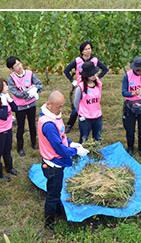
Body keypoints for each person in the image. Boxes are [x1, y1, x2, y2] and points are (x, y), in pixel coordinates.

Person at [37, 91, 89, 230]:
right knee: (53, 194)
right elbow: (59, 148)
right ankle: (49, 223)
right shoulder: (48, 124)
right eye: (58, 107)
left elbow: (62, 137)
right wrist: (75, 151)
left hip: (56, 162)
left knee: (57, 189)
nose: (61, 110)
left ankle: (57, 211)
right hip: (53, 164)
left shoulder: (54, 117)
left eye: (62, 106)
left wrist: (71, 143)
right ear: (48, 104)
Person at [63, 41, 108, 134]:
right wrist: (72, 81)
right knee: (77, 107)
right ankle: (70, 125)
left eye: (89, 49)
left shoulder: (94, 60)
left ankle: (92, 122)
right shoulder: (77, 60)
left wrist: (98, 77)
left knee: (91, 104)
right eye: (86, 49)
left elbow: (105, 69)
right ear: (82, 51)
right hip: (81, 86)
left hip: (92, 86)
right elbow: (66, 70)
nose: (88, 51)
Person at [6, 56, 42, 157]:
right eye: (16, 66)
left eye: (19, 63)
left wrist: (35, 89)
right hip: (20, 106)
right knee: (20, 127)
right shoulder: (11, 78)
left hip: (31, 105)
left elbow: (39, 84)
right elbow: (15, 92)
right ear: (12, 69)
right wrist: (28, 93)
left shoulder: (29, 74)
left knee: (32, 125)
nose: (19, 66)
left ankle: (34, 143)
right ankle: (20, 148)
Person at [74, 61, 103, 143]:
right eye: (92, 74)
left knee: (98, 138)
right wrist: (81, 114)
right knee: (84, 139)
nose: (94, 76)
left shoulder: (98, 85)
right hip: (85, 118)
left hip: (97, 116)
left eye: (95, 74)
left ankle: (97, 153)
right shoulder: (81, 87)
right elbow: (76, 103)